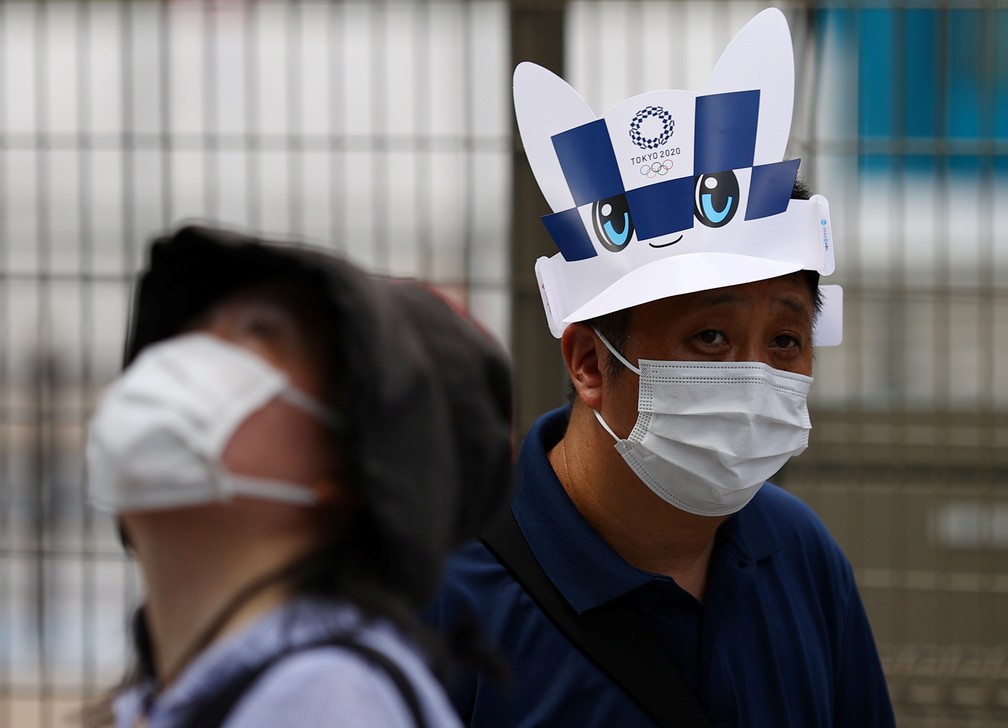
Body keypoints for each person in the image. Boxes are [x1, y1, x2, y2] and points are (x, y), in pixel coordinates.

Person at [427, 8, 895, 727]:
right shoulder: (449, 597)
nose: (754, 375)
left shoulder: (799, 557)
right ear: (589, 361)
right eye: (709, 336)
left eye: (785, 341)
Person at [84, 224, 513, 728]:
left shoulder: (328, 703)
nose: (185, 357)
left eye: (259, 333)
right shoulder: (181, 696)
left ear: (351, 464)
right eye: (194, 329)